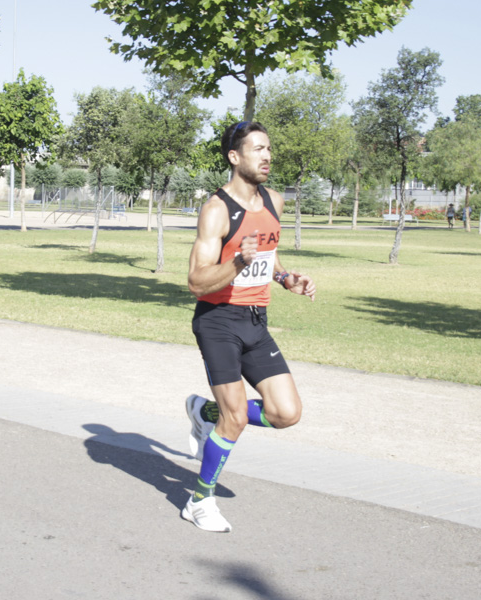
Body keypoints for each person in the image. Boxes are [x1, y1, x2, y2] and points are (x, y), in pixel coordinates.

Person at [182, 121, 316, 533]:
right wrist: (237, 260)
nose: (267, 155)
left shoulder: (273, 200)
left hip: (256, 320)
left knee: (286, 413)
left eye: (269, 148)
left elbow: (268, 255)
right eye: (257, 149)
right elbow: (195, 281)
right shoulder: (217, 209)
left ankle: (206, 412)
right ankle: (199, 500)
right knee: (236, 418)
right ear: (234, 157)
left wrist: (284, 279)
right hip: (218, 322)